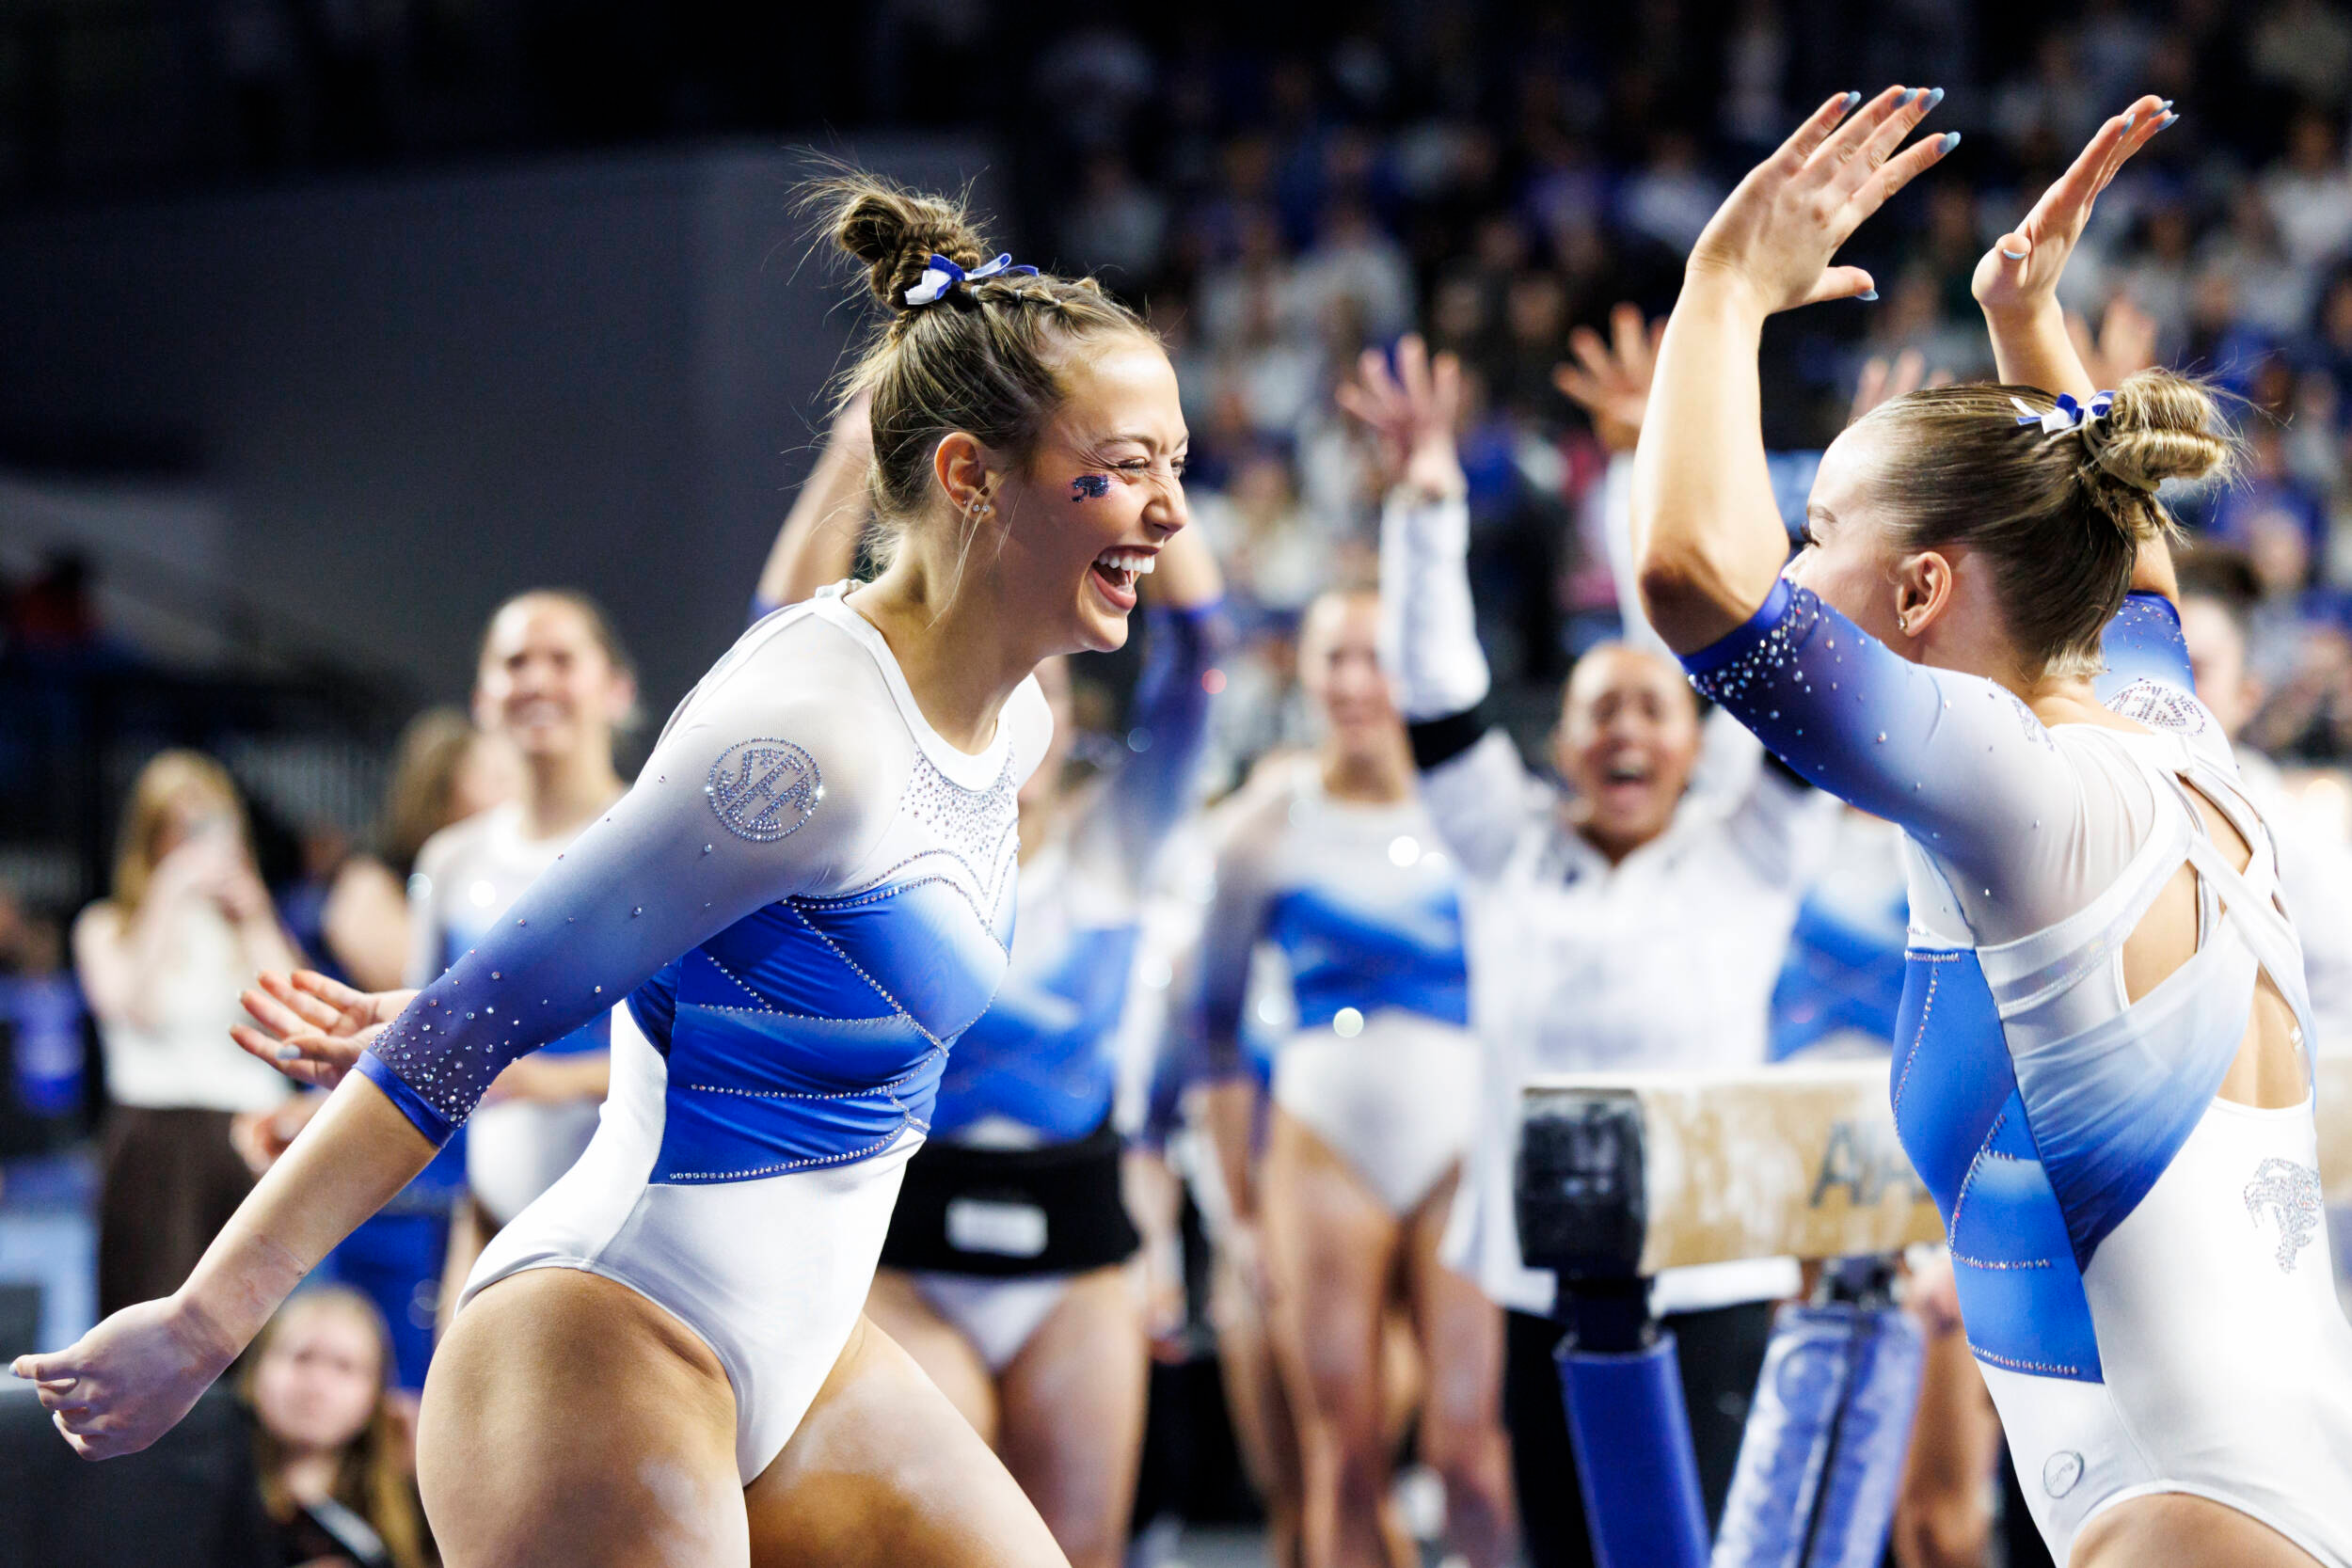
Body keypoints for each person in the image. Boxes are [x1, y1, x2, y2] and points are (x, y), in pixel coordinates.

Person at [16, 174, 1194, 1568]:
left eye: (1177, 462)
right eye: (1122, 466)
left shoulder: (1019, 717)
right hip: (602, 1338)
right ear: (967, 475)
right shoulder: (807, 743)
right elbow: (467, 1026)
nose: (1170, 512)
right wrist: (205, 1323)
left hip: (801, 1350)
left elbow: (705, 947)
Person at [1632, 85, 2352, 1568]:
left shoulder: (2021, 792)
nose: (1792, 562)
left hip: (2182, 1520)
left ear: (1919, 593)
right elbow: (2133, 581)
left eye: (1820, 532)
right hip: (2267, 1490)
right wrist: (2033, 329)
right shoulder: (2164, 739)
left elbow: (1694, 577)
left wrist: (1720, 291)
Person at [1345, 332, 1840, 1565]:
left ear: (1697, 745)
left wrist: (1656, 476)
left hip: (1715, 1262)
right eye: (1597, 711)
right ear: (1557, 745)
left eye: (1652, 711)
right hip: (1546, 1268)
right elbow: (1438, 689)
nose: (1626, 728)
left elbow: (1753, 655)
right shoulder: (1502, 846)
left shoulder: (1752, 850)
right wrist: (1425, 505)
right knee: (1570, 1548)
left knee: (1713, 1547)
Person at [757, 386, 1228, 1568]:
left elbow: (1205, 649)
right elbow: (770, 655)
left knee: (1078, 1549)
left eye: (1049, 684)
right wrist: (850, 453)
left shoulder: (1121, 840)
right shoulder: (879, 828)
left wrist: (1145, 453)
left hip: (1077, 1251)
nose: (1024, 702)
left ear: (1072, 711)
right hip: (905, 1243)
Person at [1187, 588, 1512, 1568]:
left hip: (1461, 1139)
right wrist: (1239, 1211)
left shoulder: (1476, 811)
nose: (1355, 681)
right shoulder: (1263, 824)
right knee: (1346, 1456)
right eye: (1334, 658)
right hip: (1323, 1139)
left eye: (1376, 657)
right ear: (1307, 674)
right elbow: (1208, 1024)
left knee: (1469, 1452)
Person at [418, 591, 635, 1234]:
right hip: (490, 1218)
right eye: (515, 662)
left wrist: (556, 1082)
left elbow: (704, 1051)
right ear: (484, 697)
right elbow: (421, 1043)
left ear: (616, 690)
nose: (537, 680)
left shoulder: (654, 846)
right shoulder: (451, 860)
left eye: (562, 660)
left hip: (626, 1231)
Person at [71, 751, 300, 1315]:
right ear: (151, 836)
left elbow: (297, 1015)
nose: (197, 843)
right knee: (152, 1306)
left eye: (210, 824)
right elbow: (134, 1007)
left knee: (253, 1316)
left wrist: (255, 912)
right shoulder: (107, 926)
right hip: (157, 1139)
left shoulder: (246, 926)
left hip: (251, 1133)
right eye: (181, 827)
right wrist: (169, 893)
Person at [244, 1287, 435, 1568]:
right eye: (302, 1357)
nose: (317, 1385)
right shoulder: (203, 1491)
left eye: (344, 1367)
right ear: (256, 1369)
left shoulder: (409, 1514)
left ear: (377, 1394)